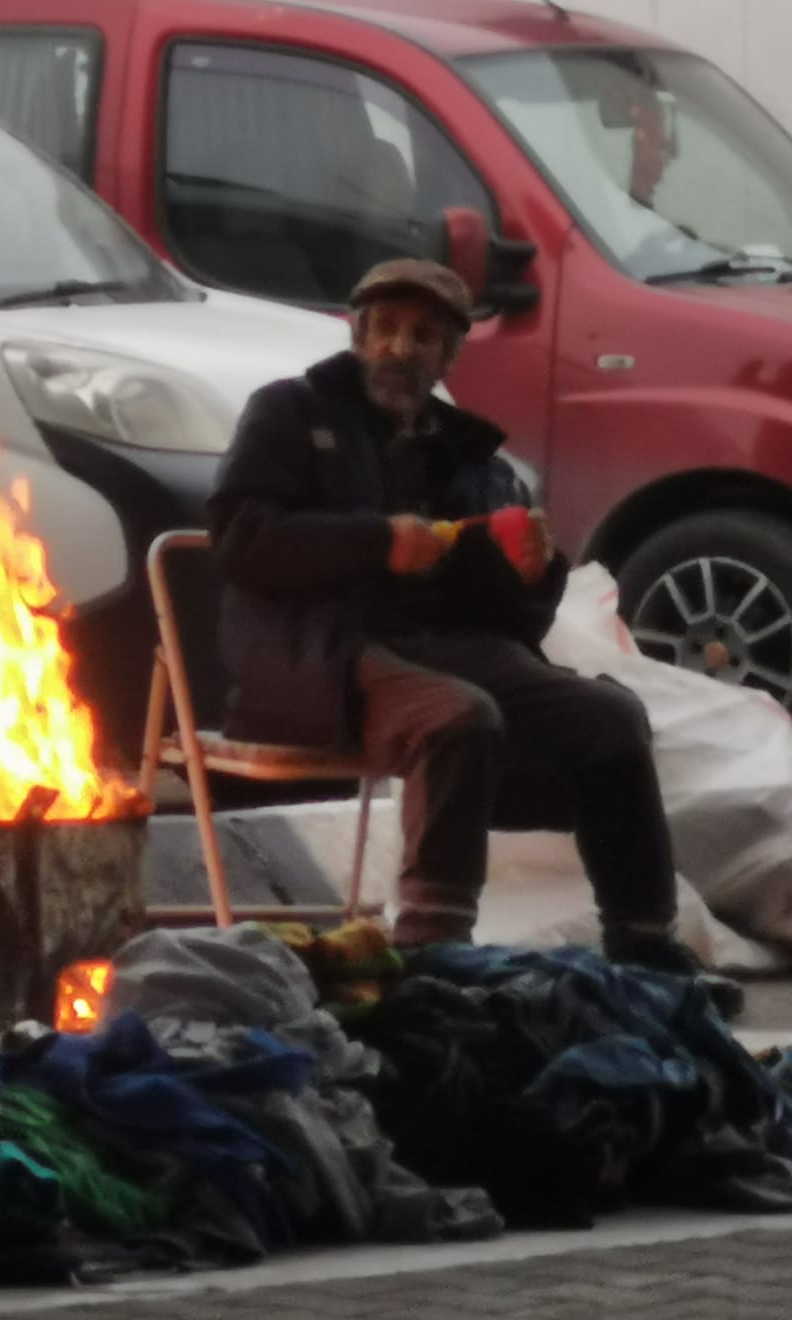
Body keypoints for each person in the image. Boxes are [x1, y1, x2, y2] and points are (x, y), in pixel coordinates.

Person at [208, 257, 714, 981]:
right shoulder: (291, 412)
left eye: (422, 335)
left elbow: (511, 626)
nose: (398, 348)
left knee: (610, 715)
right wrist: (378, 542)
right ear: (357, 337)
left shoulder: (474, 454)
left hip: (447, 646)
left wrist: (534, 571)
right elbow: (241, 542)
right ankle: (434, 948)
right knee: (457, 715)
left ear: (449, 353)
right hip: (320, 651)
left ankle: (642, 937)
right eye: (383, 329)